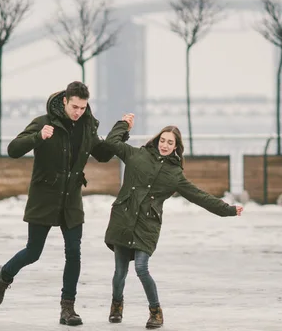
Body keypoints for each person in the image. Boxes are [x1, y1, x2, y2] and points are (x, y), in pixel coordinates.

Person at [0, 81, 131, 326]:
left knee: (74, 253)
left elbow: (104, 154)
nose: (78, 112)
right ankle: (3, 274)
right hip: (44, 196)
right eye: (74, 107)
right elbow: (13, 149)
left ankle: (68, 309)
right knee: (33, 251)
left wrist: (122, 128)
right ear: (64, 101)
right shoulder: (44, 122)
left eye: (83, 108)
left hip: (71, 199)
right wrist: (38, 137)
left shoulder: (87, 127)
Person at [102, 114, 243, 329]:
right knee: (120, 272)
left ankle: (155, 312)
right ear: (157, 140)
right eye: (162, 140)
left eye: (170, 142)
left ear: (176, 147)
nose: (165, 145)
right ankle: (116, 305)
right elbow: (111, 143)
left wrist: (228, 210)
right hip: (124, 218)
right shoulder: (136, 155)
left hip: (147, 226)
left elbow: (199, 196)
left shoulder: (174, 174)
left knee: (141, 267)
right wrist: (123, 125)